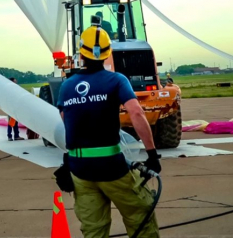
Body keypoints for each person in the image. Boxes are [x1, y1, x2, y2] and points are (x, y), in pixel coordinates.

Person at [58, 26, 161, 238]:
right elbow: (136, 113)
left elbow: (65, 121)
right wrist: (151, 154)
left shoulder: (67, 86)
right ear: (107, 52)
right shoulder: (116, 80)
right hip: (111, 167)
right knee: (140, 217)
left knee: (94, 230)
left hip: (79, 169)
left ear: (81, 52)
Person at [7, 77, 24, 141]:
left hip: (12, 107)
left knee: (14, 122)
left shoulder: (9, 89)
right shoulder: (12, 89)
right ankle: (11, 136)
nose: (16, 82)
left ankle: (15, 135)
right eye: (15, 81)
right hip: (12, 108)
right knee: (11, 123)